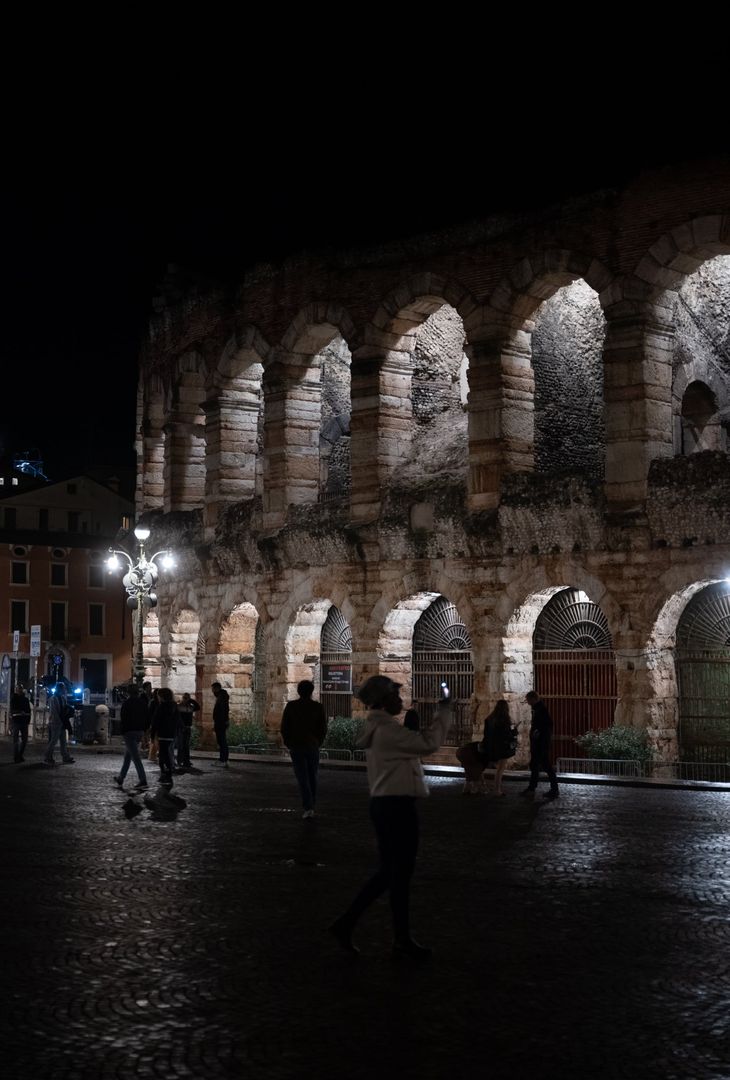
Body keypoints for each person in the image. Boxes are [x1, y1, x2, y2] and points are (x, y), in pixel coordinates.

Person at [328, 676, 453, 961]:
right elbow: (429, 743)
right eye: (396, 696)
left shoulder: (379, 727)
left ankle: (366, 929)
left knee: (392, 874)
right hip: (396, 807)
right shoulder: (386, 730)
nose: (401, 700)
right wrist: (444, 710)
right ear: (383, 700)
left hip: (386, 805)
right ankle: (387, 935)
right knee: (397, 874)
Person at [281, 680, 328, 819]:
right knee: (312, 775)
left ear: (299, 691)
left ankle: (308, 806)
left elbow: (285, 727)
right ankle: (311, 803)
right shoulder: (318, 707)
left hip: (296, 745)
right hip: (312, 745)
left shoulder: (291, 706)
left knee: (302, 777)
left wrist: (288, 742)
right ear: (312, 691)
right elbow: (323, 728)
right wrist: (318, 742)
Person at [521, 690, 559, 800]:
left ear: (533, 699)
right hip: (540, 744)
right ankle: (532, 788)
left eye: (528, 700)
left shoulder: (541, 710)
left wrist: (538, 732)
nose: (527, 702)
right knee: (536, 766)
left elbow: (546, 726)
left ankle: (553, 789)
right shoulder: (539, 709)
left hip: (540, 745)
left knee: (545, 766)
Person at [114, 684, 149, 790]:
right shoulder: (142, 703)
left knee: (135, 757)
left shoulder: (127, 703)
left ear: (128, 692)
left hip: (129, 732)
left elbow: (123, 718)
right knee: (128, 756)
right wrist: (144, 730)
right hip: (139, 731)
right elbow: (146, 717)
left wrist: (122, 731)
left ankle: (143, 780)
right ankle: (121, 778)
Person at [479, 699, 516, 796]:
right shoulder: (504, 720)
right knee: (500, 769)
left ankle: (482, 786)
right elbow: (506, 735)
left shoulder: (489, 719)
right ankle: (497, 789)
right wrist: (514, 732)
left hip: (491, 747)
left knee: (484, 767)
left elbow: (486, 735)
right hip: (502, 747)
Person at [150, 687, 178, 786]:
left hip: (162, 734)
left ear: (161, 696)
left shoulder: (161, 707)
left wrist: (152, 735)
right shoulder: (174, 706)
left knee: (162, 755)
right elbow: (178, 720)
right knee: (166, 754)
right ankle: (168, 773)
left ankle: (165, 774)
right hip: (171, 734)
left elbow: (155, 722)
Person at [44, 684, 75, 765]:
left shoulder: (62, 698)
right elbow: (54, 712)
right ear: (60, 689)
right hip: (55, 723)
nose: (65, 690)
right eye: (64, 688)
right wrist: (60, 720)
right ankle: (48, 757)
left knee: (63, 741)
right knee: (53, 741)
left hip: (61, 722)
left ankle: (65, 756)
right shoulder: (53, 699)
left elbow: (63, 709)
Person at [176, 692, 199, 768]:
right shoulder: (179, 707)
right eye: (184, 698)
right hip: (181, 728)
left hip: (188, 728)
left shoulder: (190, 707)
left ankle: (186, 761)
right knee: (181, 745)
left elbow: (198, 707)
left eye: (187, 698)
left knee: (186, 745)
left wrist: (191, 700)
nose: (186, 699)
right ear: (182, 698)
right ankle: (180, 761)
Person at [10, 685, 31, 763]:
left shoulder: (25, 699)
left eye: (20, 689)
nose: (18, 690)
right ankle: (17, 757)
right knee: (16, 740)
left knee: (24, 740)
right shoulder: (13, 699)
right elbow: (12, 710)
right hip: (16, 721)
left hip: (24, 721)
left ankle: (20, 755)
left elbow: (29, 711)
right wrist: (20, 712)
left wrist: (28, 720)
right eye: (17, 689)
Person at [211, 682, 230, 767]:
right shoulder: (222, 696)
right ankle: (224, 760)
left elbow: (223, 711)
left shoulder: (221, 697)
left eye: (213, 689)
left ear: (216, 688)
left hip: (220, 722)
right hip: (221, 722)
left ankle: (223, 760)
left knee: (222, 741)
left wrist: (221, 721)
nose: (212, 691)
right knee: (222, 741)